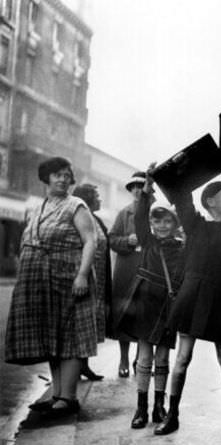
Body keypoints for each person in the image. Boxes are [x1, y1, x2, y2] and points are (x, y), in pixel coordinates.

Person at [154, 176, 221, 435]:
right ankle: (172, 415)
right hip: (193, 298)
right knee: (183, 358)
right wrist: (188, 168)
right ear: (210, 203)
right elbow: (183, 196)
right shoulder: (196, 225)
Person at [5, 157, 97, 417]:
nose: (63, 179)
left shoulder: (76, 205)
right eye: (57, 174)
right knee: (51, 336)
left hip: (68, 278)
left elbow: (90, 241)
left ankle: (68, 398)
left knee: (70, 337)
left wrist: (82, 276)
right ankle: (57, 394)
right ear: (46, 178)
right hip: (41, 281)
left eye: (67, 175)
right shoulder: (39, 206)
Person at [116, 171, 185, 429]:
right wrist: (147, 191)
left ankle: (159, 406)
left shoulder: (182, 249)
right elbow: (141, 218)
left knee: (163, 360)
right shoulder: (148, 242)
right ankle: (141, 408)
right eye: (158, 222)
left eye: (167, 221)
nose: (162, 226)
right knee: (144, 358)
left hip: (168, 306)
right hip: (146, 302)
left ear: (176, 223)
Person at [109, 171, 146, 377]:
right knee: (125, 315)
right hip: (126, 271)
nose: (137, 190)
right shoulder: (124, 213)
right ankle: (123, 358)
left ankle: (140, 359)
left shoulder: (156, 212)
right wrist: (127, 242)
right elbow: (112, 239)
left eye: (141, 186)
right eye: (134, 187)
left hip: (148, 271)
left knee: (145, 316)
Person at [72, 184, 111, 382]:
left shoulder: (95, 219)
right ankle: (76, 367)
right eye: (97, 195)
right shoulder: (81, 218)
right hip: (86, 276)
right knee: (81, 322)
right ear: (86, 198)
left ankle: (84, 365)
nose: (100, 199)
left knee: (90, 323)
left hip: (99, 280)